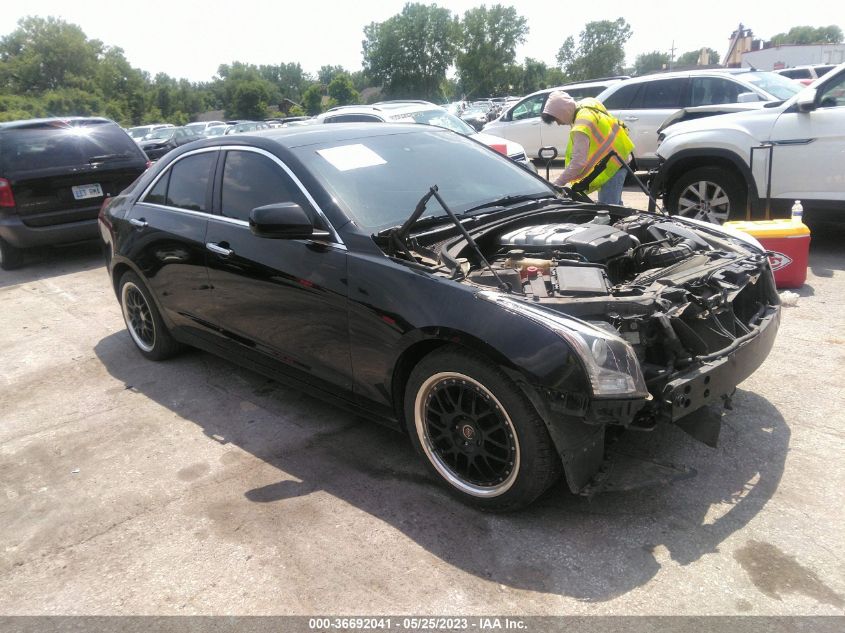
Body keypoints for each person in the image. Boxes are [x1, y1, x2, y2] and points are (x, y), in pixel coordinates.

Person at [540, 91, 634, 205]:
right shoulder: (589, 102)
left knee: (608, 209)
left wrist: (558, 183)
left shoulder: (582, 124)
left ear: (563, 112)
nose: (558, 123)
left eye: (557, 119)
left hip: (612, 165)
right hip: (618, 157)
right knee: (615, 205)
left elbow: (579, 162)